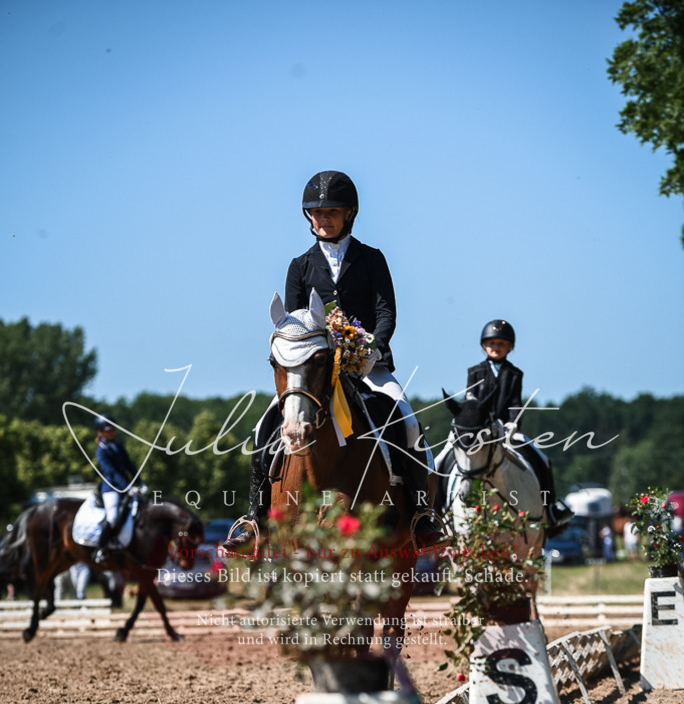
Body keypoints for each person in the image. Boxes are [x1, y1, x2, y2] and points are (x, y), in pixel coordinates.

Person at [225, 170, 441, 547]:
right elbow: (294, 323)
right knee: (265, 426)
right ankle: (255, 517)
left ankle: (422, 513)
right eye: (316, 213)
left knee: (406, 418)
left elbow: (386, 311)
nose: (322, 219)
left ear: (349, 214)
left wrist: (372, 345)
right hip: (316, 371)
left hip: (368, 365)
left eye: (331, 212)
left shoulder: (372, 259)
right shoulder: (300, 265)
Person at [465, 319, 572, 532]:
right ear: (484, 345)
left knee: (542, 459)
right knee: (444, 458)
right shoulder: (475, 372)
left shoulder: (515, 374)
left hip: (506, 430)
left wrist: (513, 424)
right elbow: (471, 402)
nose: (496, 347)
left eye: (501, 344)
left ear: (510, 347)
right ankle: (437, 506)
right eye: (492, 343)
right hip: (479, 432)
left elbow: (515, 402)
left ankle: (550, 508)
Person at [93, 416, 139, 563]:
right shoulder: (101, 451)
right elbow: (110, 471)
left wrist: (140, 482)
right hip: (111, 488)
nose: (112, 432)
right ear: (100, 432)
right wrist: (127, 487)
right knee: (112, 517)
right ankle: (101, 548)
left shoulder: (118, 447)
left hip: (126, 486)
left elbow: (129, 466)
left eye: (113, 429)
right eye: (109, 430)